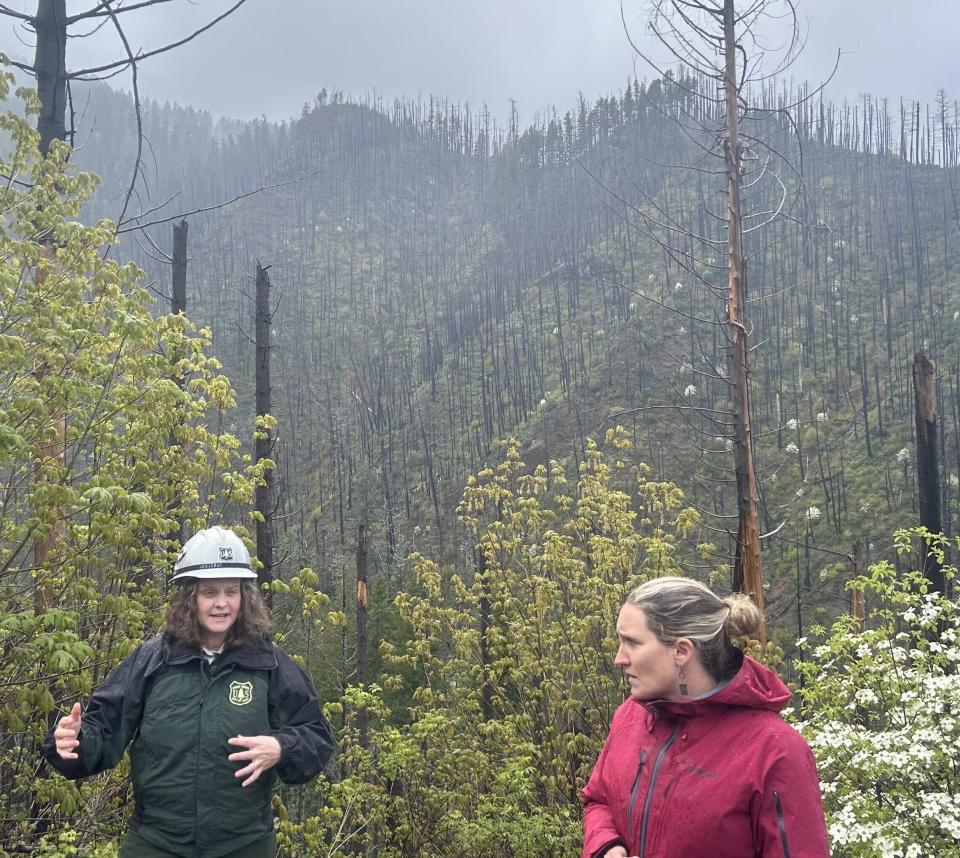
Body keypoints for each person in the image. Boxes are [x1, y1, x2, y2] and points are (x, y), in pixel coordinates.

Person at [42, 526, 334, 858]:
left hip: (244, 844)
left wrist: (282, 747)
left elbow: (316, 737)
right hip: (157, 842)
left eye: (231, 591)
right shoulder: (152, 661)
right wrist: (72, 742)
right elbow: (103, 730)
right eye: (210, 592)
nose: (222, 603)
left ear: (245, 597)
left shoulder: (269, 664)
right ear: (190, 596)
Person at [582, 576, 829, 858]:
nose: (619, 658)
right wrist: (606, 847)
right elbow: (598, 799)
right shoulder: (631, 716)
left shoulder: (775, 752)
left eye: (632, 643)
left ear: (681, 651)